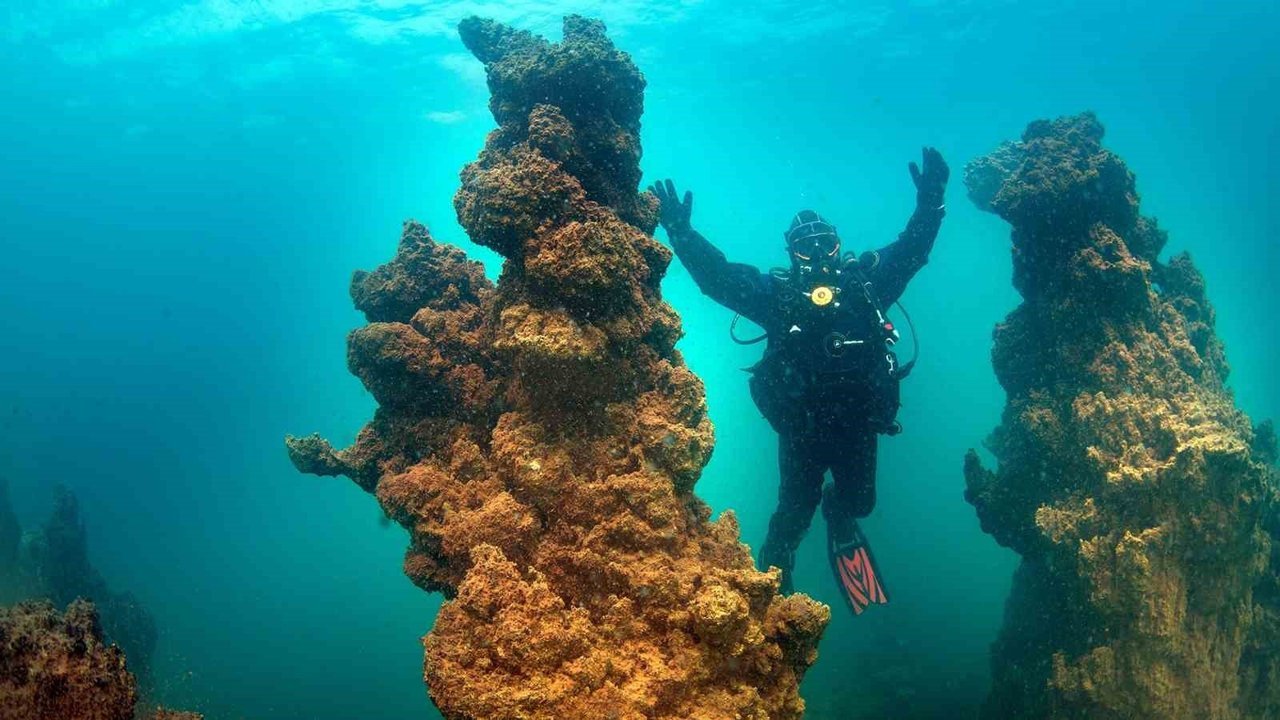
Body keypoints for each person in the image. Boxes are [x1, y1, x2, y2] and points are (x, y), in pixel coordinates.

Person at [649, 148, 949, 615]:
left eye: (825, 243)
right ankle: (772, 577)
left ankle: (838, 510)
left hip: (858, 425)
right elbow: (718, 279)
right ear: (791, 253)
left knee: (860, 504)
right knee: (791, 514)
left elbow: (912, 252)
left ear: (838, 246)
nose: (818, 254)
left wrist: (931, 205)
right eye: (805, 246)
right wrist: (682, 233)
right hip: (802, 430)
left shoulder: (866, 288)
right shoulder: (778, 297)